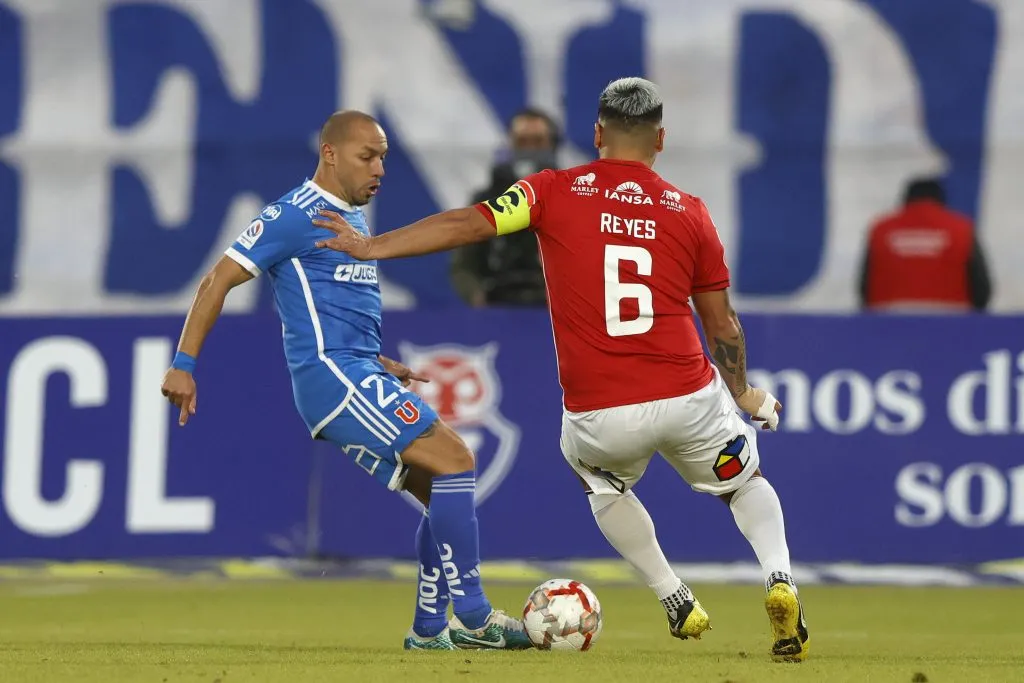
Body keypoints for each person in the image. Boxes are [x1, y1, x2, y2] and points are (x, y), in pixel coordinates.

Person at [312, 79, 810, 662]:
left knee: (598, 480)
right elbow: (721, 324)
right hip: (688, 396)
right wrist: (743, 392)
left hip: (601, 412)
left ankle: (673, 594)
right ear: (660, 140)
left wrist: (373, 246)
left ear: (597, 134)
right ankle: (780, 579)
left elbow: (469, 224)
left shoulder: (550, 191)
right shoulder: (691, 212)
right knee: (743, 483)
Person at [159, 110, 531, 652]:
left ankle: (430, 630)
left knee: (442, 490)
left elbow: (326, 306)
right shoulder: (292, 215)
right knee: (456, 459)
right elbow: (217, 279)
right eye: (367, 156)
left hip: (355, 368)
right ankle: (475, 618)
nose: (379, 168)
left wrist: (374, 359)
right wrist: (184, 363)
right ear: (330, 154)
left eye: (383, 157)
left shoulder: (351, 220)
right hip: (330, 377)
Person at [450, 107, 560, 307]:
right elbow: (464, 265)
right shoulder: (485, 200)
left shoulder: (571, 198)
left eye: (538, 142)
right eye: (522, 142)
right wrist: (477, 296)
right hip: (498, 304)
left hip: (555, 307)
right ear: (510, 145)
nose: (530, 150)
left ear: (552, 145)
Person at [859, 177, 993, 312]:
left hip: (888, 318)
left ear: (906, 199)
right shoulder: (962, 229)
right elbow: (981, 287)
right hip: (951, 318)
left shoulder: (881, 230)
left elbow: (865, 285)